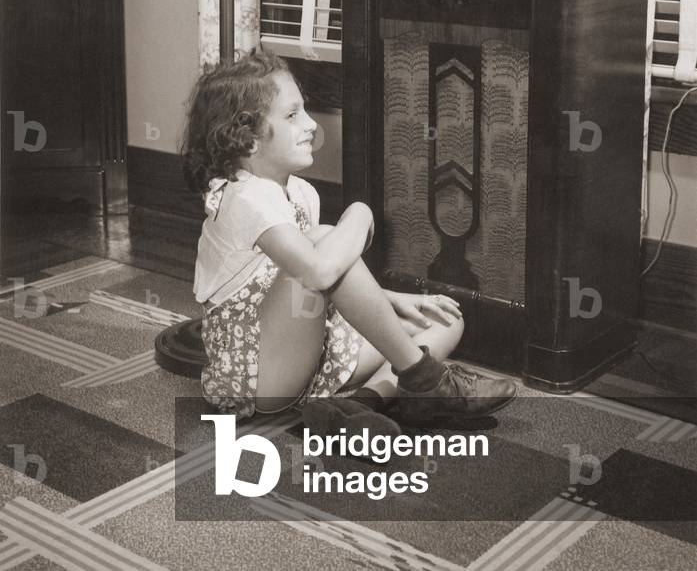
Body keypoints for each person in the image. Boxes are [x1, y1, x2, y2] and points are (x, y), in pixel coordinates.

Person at [183, 51, 516, 434]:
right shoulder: (244, 197)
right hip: (259, 378)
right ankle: (426, 381)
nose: (310, 125)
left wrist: (395, 300)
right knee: (325, 239)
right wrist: (361, 212)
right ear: (247, 139)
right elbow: (317, 272)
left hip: (308, 356)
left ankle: (359, 405)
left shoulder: (301, 193)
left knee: (445, 321)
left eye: (304, 111)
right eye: (292, 116)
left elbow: (332, 283)